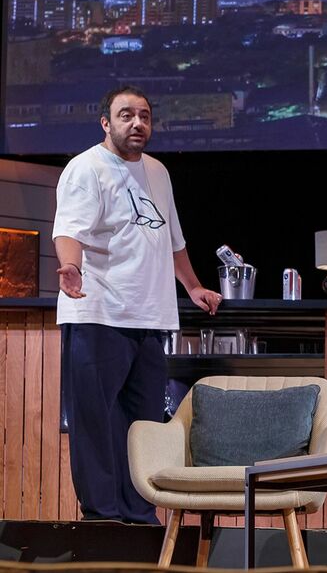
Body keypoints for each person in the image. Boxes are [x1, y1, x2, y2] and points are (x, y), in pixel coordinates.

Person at [53, 84, 222, 523]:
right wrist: (70, 266)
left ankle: (139, 515)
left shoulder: (158, 172)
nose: (137, 123)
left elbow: (172, 240)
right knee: (95, 421)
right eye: (126, 115)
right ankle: (103, 517)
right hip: (98, 312)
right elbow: (68, 229)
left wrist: (193, 287)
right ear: (106, 123)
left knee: (142, 425)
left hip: (149, 316)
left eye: (144, 116)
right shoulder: (86, 168)